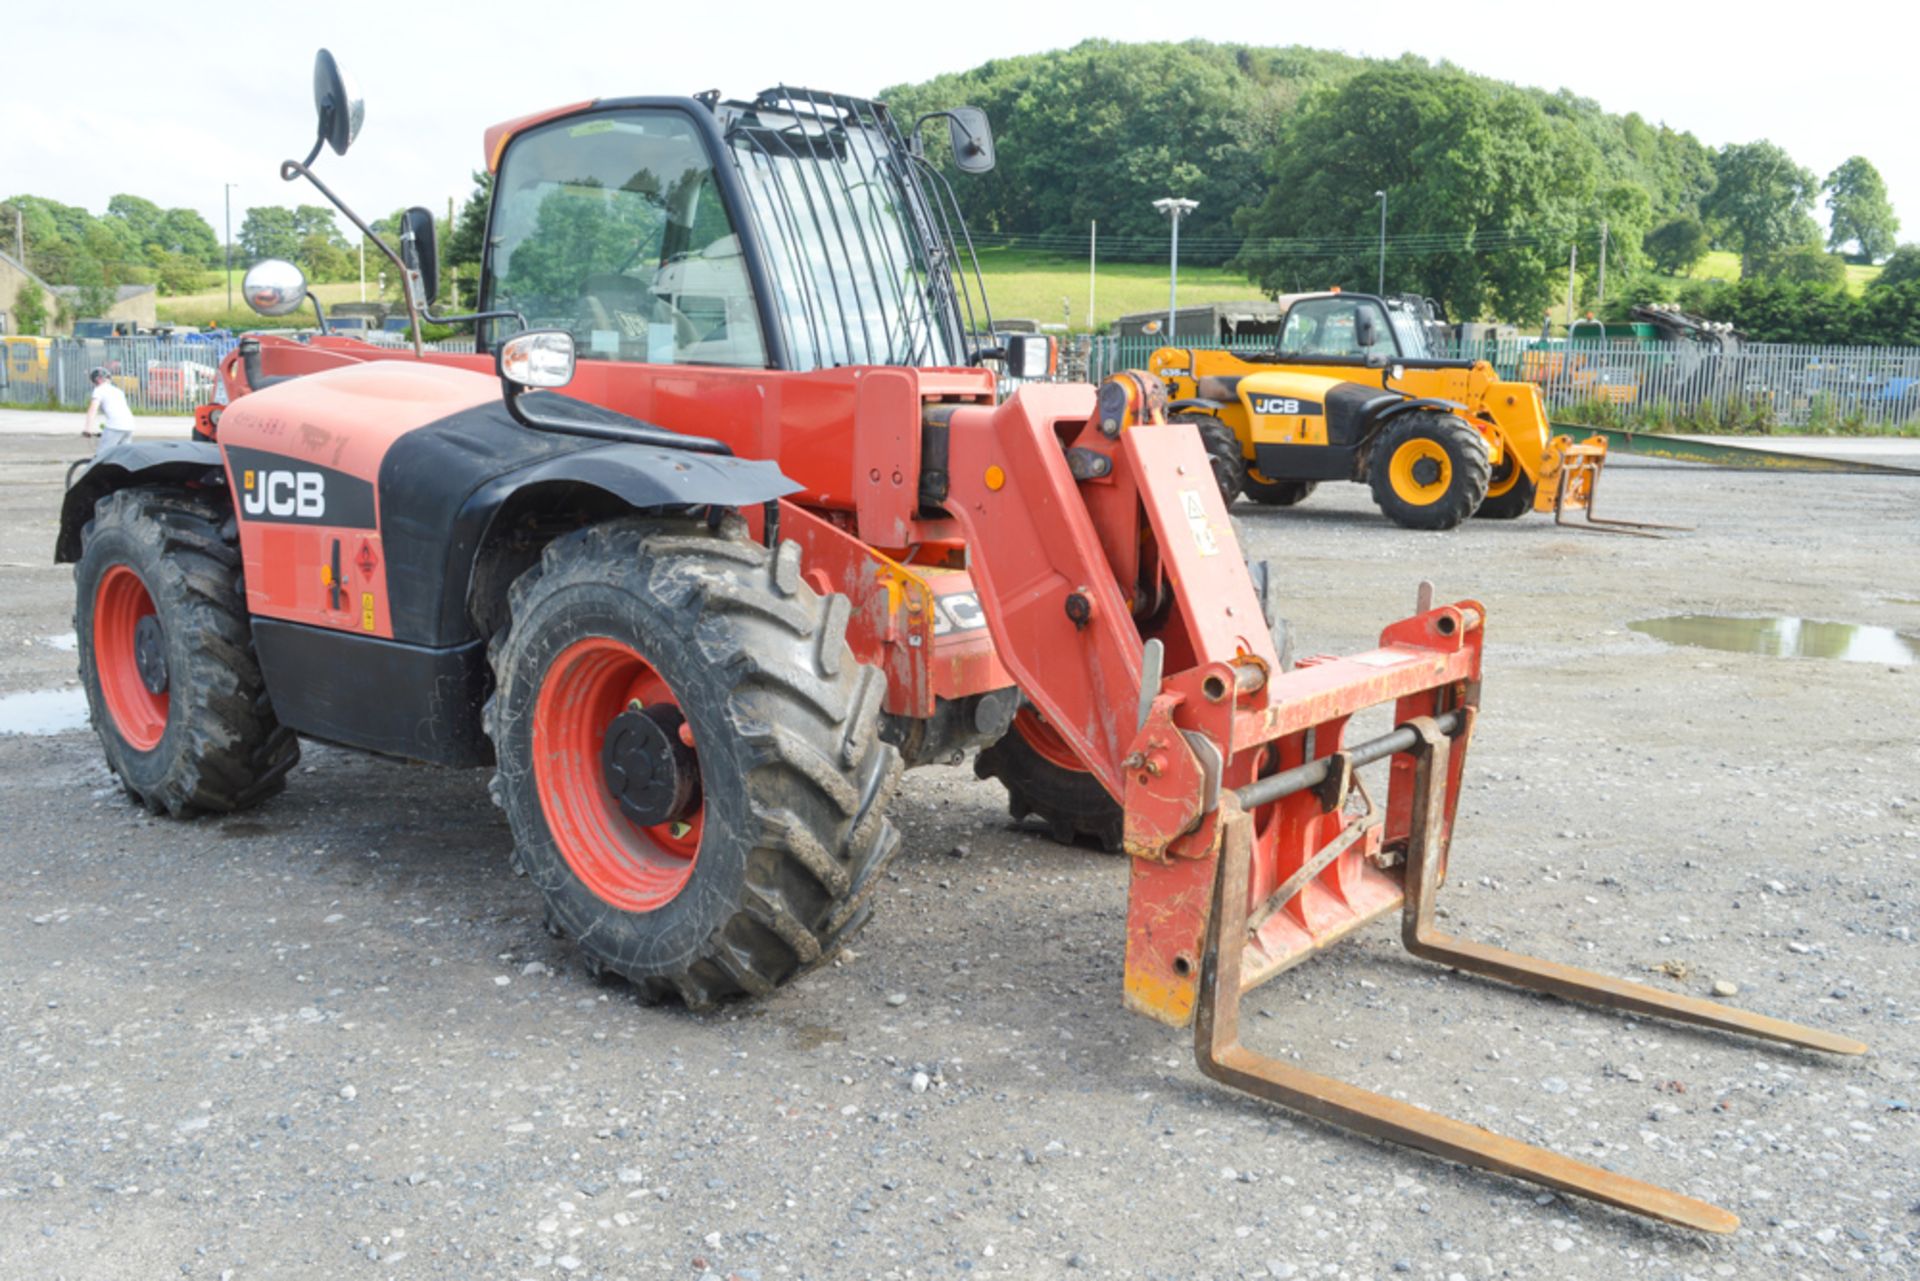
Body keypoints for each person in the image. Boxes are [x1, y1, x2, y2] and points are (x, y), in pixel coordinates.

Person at [83, 367, 135, 450]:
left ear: (97, 380)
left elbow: (92, 410)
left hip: (115, 426)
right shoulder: (118, 391)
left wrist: (87, 429)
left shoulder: (99, 390)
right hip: (129, 426)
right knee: (122, 456)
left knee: (102, 455)